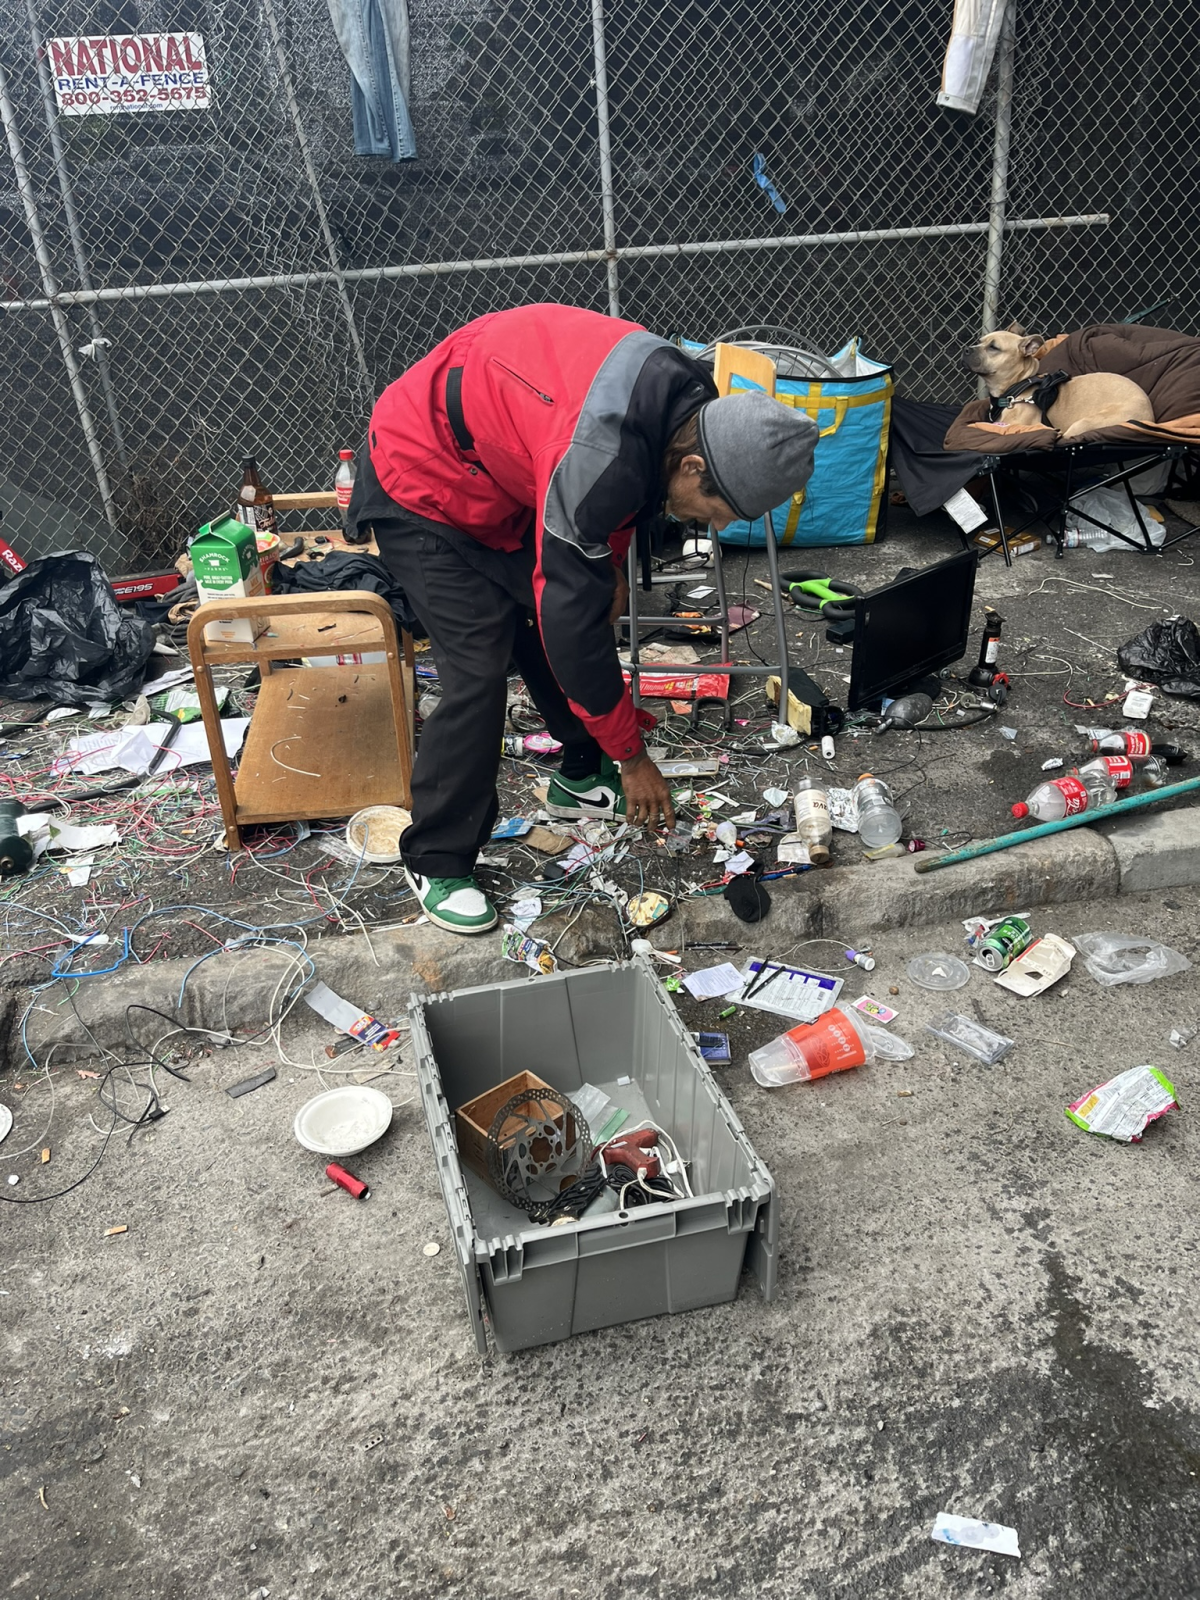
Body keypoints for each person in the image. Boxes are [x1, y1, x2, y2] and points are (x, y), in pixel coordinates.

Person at [348, 303, 818, 935]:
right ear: (693, 466)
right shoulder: (602, 452)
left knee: (562, 611)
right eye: (718, 508)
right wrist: (631, 755)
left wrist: (612, 568)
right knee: (480, 665)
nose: (716, 526)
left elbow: (620, 495)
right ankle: (437, 856)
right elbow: (574, 611)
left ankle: (576, 774)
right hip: (423, 475)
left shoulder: (689, 408)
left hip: (506, 468)